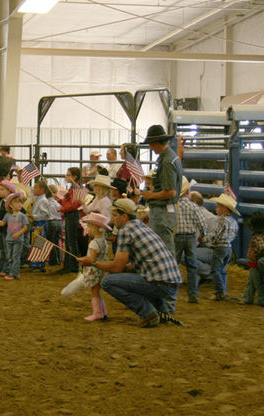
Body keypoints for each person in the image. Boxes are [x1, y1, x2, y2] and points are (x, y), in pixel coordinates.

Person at [79, 199, 182, 328]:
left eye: (115, 215)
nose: (112, 219)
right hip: (171, 282)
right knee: (134, 279)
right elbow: (140, 261)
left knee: (107, 282)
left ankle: (148, 313)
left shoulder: (125, 231)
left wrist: (93, 262)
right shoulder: (141, 226)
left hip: (159, 283)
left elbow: (117, 267)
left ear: (125, 216)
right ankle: (161, 312)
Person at [141, 125, 183, 256]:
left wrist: (150, 195)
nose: (150, 148)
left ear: (156, 143)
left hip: (162, 212)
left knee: (163, 250)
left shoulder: (166, 161)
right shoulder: (171, 157)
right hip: (166, 211)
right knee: (164, 248)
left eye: (151, 145)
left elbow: (170, 192)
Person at [62, 213, 111, 321]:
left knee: (94, 292)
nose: (87, 229)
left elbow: (91, 260)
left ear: (95, 228)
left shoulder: (94, 243)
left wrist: (82, 260)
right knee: (97, 291)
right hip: (101, 270)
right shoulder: (103, 241)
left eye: (89, 226)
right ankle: (103, 312)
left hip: (94, 271)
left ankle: (98, 313)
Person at [201, 193, 239, 301]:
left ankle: (219, 292)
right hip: (228, 247)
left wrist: (205, 239)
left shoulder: (221, 220)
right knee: (222, 270)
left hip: (220, 247)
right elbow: (234, 234)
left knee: (215, 269)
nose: (216, 209)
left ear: (224, 208)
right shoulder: (233, 221)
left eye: (218, 206)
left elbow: (215, 234)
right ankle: (223, 291)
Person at [175, 177, 206, 304]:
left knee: (174, 265)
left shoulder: (173, 205)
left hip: (176, 236)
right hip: (190, 237)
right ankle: (193, 294)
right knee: (192, 266)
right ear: (188, 192)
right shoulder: (193, 206)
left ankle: (172, 292)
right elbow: (202, 223)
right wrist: (202, 236)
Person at [0, 192, 29, 280]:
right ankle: (14, 272)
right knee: (10, 256)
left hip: (18, 240)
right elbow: (1, 223)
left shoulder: (22, 216)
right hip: (9, 240)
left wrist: (18, 234)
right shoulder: (7, 215)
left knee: (15, 256)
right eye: (16, 202)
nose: (19, 204)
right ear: (10, 205)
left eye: (20, 202)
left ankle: (12, 273)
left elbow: (25, 227)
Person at [241, 211, 264, 306]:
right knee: (253, 281)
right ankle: (248, 298)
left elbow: (260, 248)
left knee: (256, 282)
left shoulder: (255, 237)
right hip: (260, 262)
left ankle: (260, 299)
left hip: (255, 262)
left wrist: (255, 252)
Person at [57, 167, 83, 274]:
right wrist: (59, 201)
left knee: (71, 242)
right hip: (71, 215)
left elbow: (75, 205)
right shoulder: (74, 188)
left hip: (72, 215)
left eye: (68, 175)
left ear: (74, 177)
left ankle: (73, 266)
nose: (66, 177)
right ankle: (69, 265)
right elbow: (71, 204)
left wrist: (61, 208)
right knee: (69, 241)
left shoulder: (76, 188)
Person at [28, 181, 52, 272]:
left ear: (42, 190)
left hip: (41, 224)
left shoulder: (43, 200)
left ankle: (39, 264)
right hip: (37, 223)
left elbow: (45, 214)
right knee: (36, 242)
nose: (34, 189)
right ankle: (36, 263)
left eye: (36, 187)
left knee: (39, 243)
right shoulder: (39, 199)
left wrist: (34, 216)